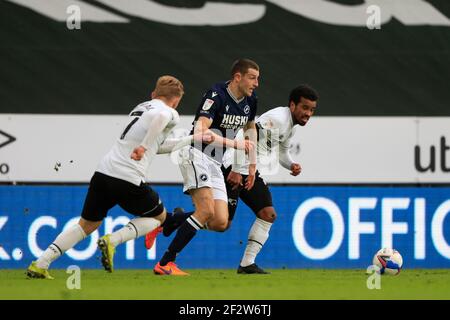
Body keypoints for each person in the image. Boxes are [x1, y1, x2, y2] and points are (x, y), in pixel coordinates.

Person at [26, 75, 213, 279]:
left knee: (87, 224)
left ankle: (41, 263)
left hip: (104, 172)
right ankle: (113, 241)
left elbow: (157, 146)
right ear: (176, 100)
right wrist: (142, 147)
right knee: (158, 218)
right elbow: (161, 120)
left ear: (153, 94)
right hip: (128, 177)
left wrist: (192, 139)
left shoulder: (141, 107)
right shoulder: (169, 112)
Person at [149, 59, 259, 276]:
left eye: (258, 79)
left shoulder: (250, 101)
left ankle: (172, 220)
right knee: (206, 210)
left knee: (220, 222)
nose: (256, 83)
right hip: (195, 153)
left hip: (215, 162)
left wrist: (252, 165)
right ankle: (165, 262)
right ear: (238, 77)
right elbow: (202, 132)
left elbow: (250, 129)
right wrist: (235, 144)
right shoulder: (216, 95)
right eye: (252, 78)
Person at [222, 84, 318, 274]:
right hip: (234, 166)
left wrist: (291, 164)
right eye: (305, 108)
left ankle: (247, 264)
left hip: (249, 170)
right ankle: (176, 219)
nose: (308, 113)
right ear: (292, 105)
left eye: (312, 110)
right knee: (222, 223)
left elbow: (282, 151)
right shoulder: (277, 119)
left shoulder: (290, 126)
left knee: (268, 214)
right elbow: (248, 134)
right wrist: (236, 168)